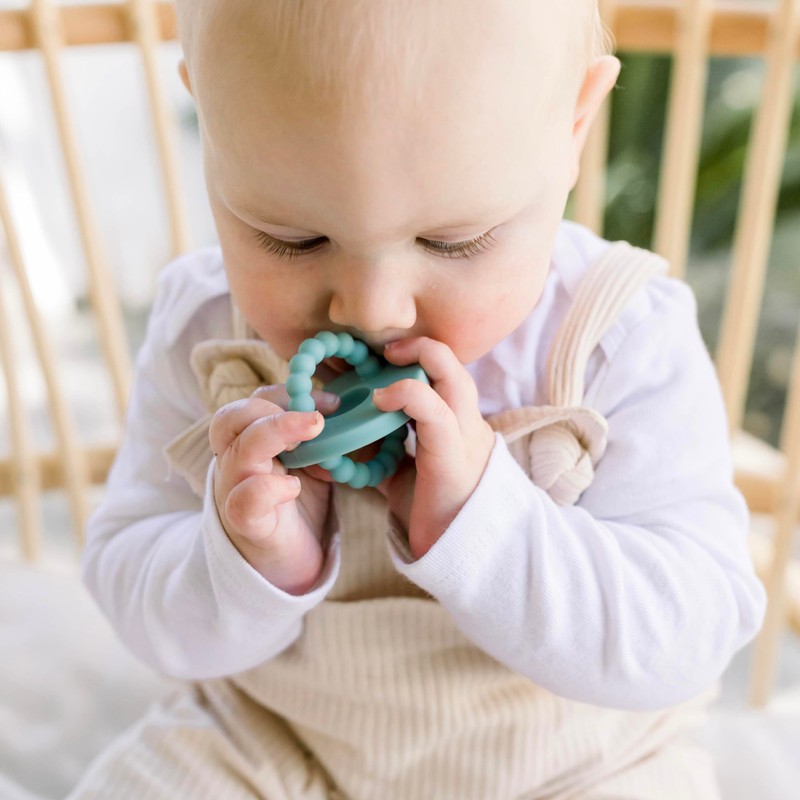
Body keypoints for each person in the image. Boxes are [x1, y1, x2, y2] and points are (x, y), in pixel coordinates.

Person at [71, 1, 766, 798]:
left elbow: (690, 633)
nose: (372, 310)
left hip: (577, 761)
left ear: (574, 123)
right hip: (274, 744)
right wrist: (239, 557)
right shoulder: (203, 329)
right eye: (290, 238)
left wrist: (485, 525)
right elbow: (131, 593)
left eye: (453, 241)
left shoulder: (617, 335)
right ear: (211, 124)